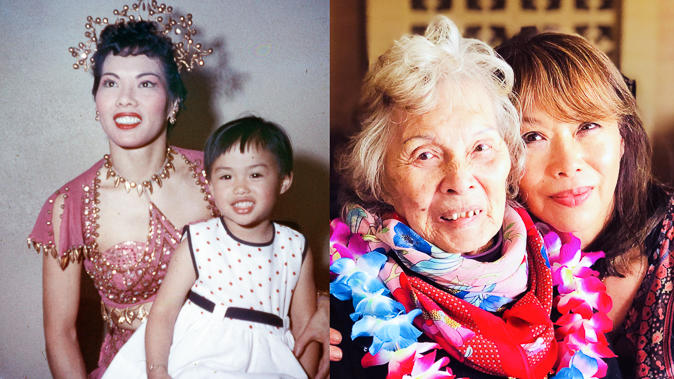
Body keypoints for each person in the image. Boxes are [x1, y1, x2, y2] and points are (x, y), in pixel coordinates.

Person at [329, 16, 613, 378]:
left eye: (481, 147)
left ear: (510, 161)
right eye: (425, 155)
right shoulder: (342, 307)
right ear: (381, 179)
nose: (460, 180)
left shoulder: (567, 283)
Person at [27, 19, 219, 378]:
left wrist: (319, 301)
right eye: (110, 82)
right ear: (96, 100)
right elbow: (61, 334)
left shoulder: (218, 175)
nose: (125, 98)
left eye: (146, 83)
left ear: (174, 101)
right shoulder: (67, 206)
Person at [496, 32, 673, 378]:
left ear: (623, 137)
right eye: (533, 137)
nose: (568, 163)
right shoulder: (485, 273)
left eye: (587, 126)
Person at [102, 116, 318, 378]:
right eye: (226, 176)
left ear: (284, 181)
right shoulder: (200, 239)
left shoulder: (295, 247)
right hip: (201, 355)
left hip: (270, 362)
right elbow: (163, 312)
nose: (240, 187)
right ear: (210, 184)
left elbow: (307, 328)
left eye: (255, 174)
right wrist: (157, 370)